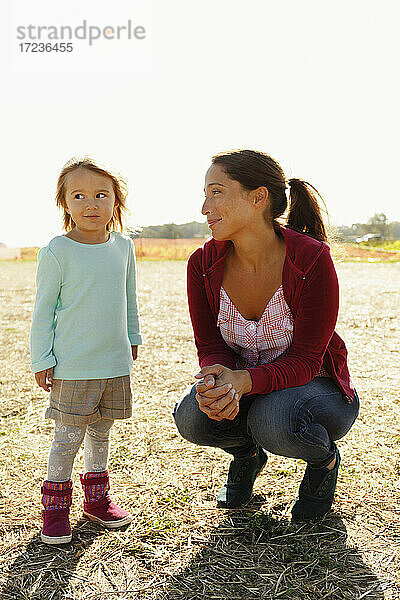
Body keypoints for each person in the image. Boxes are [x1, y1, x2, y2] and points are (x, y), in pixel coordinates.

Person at [173, 149, 359, 522]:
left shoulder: (311, 258)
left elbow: (307, 360)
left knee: (272, 420)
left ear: (258, 197)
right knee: (192, 415)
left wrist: (243, 381)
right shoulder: (202, 264)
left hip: (316, 390)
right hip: (246, 387)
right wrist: (217, 379)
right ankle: (247, 455)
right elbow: (210, 345)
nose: (204, 207)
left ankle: (323, 463)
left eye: (216, 192)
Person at [30, 157, 142, 544]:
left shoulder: (123, 247)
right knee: (66, 438)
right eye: (79, 196)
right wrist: (42, 359)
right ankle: (55, 509)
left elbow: (129, 298)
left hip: (113, 363)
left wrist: (133, 336)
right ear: (64, 203)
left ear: (116, 201)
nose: (90, 203)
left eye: (101, 195)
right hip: (73, 366)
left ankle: (96, 501)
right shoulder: (57, 251)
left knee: (101, 433)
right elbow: (43, 310)